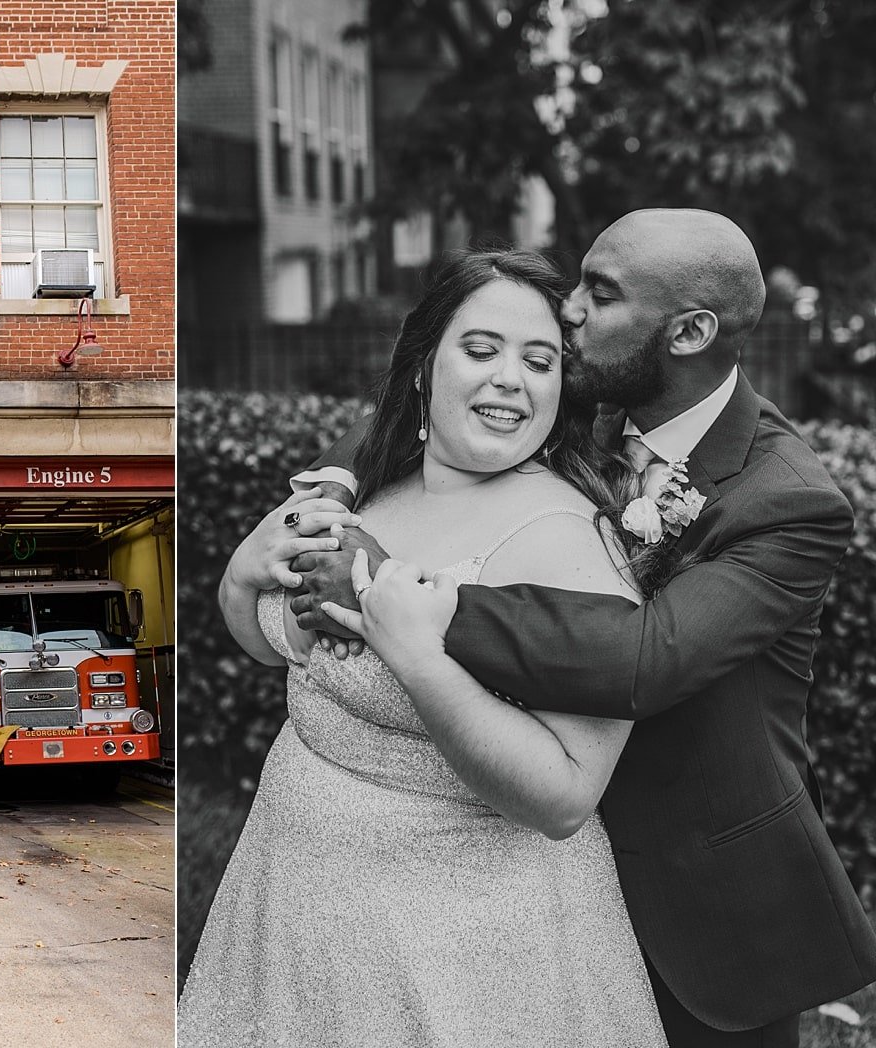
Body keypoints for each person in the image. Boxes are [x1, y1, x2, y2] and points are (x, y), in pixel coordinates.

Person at [290, 209, 876, 1047]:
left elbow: (645, 659)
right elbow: (435, 397)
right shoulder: (593, 399)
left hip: (703, 896)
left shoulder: (790, 502)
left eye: (597, 296)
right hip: (537, 877)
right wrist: (343, 483)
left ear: (689, 332)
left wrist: (402, 589)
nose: (566, 312)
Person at [179, 248, 671, 1046]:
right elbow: (281, 649)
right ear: (422, 368)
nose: (510, 378)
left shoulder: (570, 546)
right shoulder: (371, 484)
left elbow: (564, 798)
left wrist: (419, 658)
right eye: (481, 350)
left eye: (538, 361)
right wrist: (241, 580)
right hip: (290, 894)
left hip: (465, 949)